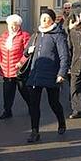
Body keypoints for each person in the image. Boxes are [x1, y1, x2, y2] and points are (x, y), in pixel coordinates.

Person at [24, 9, 69, 143]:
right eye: (42, 18)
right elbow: (26, 52)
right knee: (34, 104)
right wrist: (29, 51)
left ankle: (61, 122)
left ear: (52, 20)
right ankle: (34, 131)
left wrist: (61, 73)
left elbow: (64, 56)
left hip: (51, 74)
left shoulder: (58, 35)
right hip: (35, 74)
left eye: (46, 18)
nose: (43, 20)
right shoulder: (36, 34)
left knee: (53, 102)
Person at [0, 14, 30, 119]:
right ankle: (7, 111)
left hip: (19, 70)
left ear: (19, 26)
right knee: (7, 93)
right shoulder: (3, 36)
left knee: (24, 91)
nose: (13, 27)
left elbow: (28, 52)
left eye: (15, 25)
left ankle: (32, 106)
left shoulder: (24, 36)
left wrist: (21, 63)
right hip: (6, 70)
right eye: (11, 25)